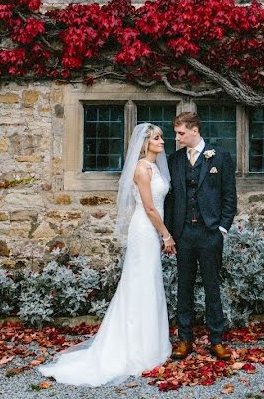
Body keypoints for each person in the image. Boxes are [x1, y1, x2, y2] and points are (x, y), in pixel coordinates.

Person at [38, 123, 174, 386]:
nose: (162, 142)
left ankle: (151, 345)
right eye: (157, 138)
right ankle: (135, 349)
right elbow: (148, 207)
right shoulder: (141, 169)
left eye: (161, 138)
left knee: (149, 283)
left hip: (151, 231)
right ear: (145, 143)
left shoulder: (154, 167)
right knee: (140, 283)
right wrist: (166, 235)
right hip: (145, 230)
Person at [164, 111, 237, 361]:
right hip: (183, 234)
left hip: (209, 233)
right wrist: (170, 233)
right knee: (183, 287)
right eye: (176, 133)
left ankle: (216, 340)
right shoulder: (174, 160)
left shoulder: (220, 156)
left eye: (181, 133)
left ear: (195, 130)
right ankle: (185, 339)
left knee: (211, 287)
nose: (177, 137)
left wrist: (222, 229)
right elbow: (170, 199)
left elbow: (229, 197)